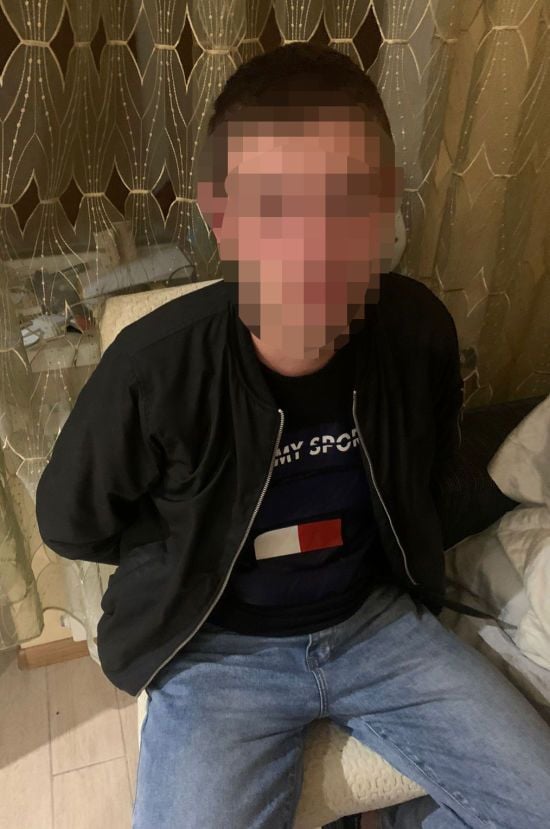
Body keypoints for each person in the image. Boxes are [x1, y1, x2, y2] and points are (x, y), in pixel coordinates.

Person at [36, 43, 550, 828]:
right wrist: (184, 543)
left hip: (377, 625)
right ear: (223, 219)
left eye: (347, 203)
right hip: (220, 654)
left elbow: (431, 469)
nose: (315, 245)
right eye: (277, 206)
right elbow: (71, 521)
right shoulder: (153, 367)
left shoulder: (417, 331)